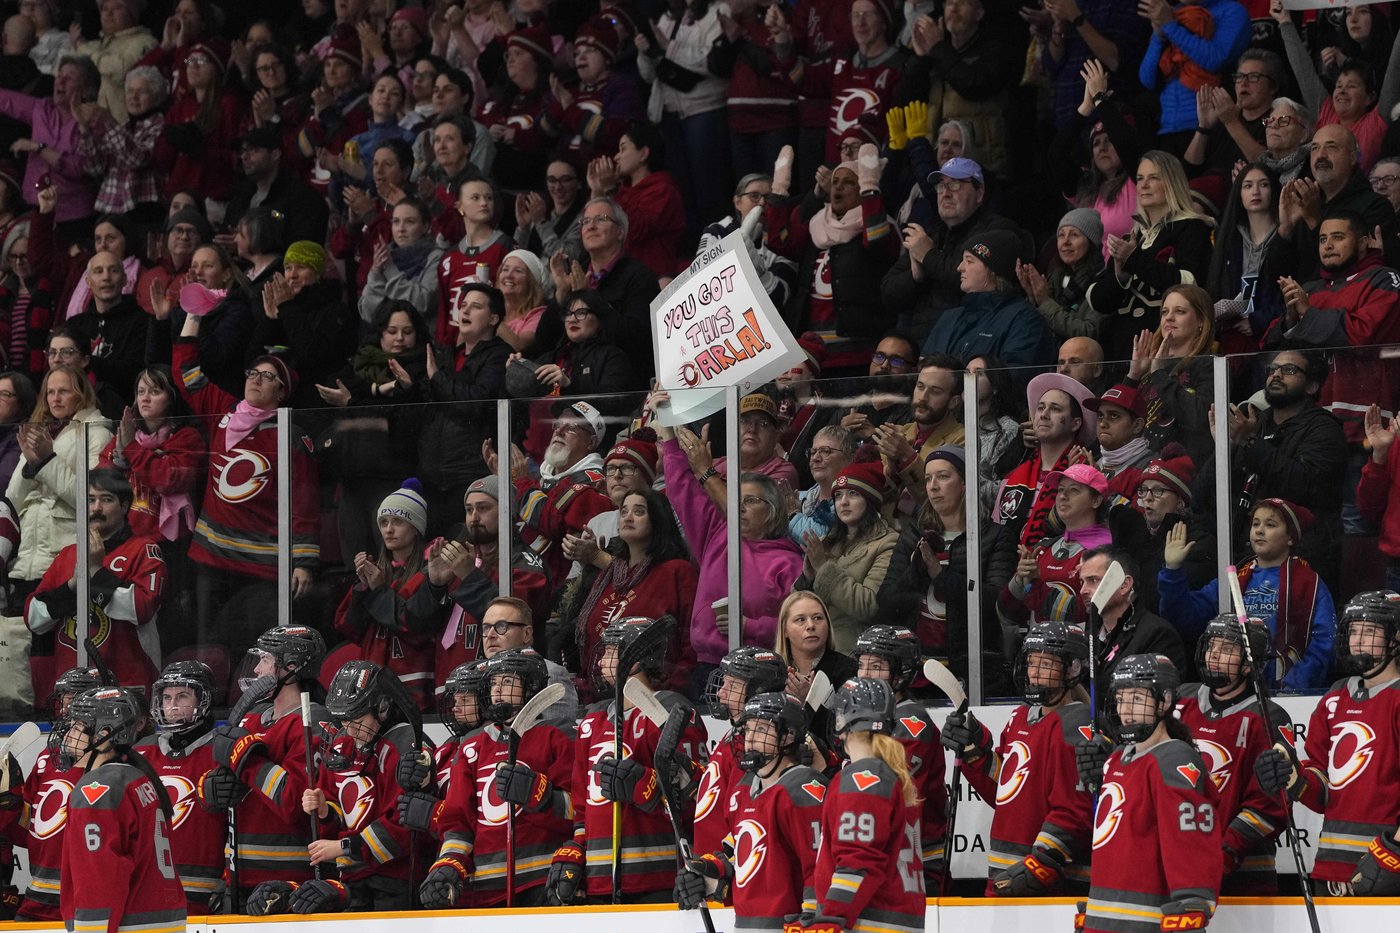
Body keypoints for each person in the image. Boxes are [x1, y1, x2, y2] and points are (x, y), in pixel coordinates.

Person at [546, 616, 709, 905]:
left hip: (658, 879)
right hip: (599, 880)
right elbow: (583, 808)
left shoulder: (672, 710)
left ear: (635, 659)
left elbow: (697, 798)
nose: (599, 663)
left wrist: (642, 785)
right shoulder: (593, 721)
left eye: (610, 652)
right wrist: (576, 850)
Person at [174, 334, 318, 648]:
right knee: (209, 647)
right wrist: (193, 317)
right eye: (253, 373)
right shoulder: (223, 413)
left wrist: (303, 562)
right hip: (210, 559)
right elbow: (186, 374)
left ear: (282, 392)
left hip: (262, 565)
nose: (256, 379)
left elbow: (303, 503)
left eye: (267, 376)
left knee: (259, 652)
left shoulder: (290, 434)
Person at [1255, 590, 1400, 894]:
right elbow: (1322, 791)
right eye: (1354, 631)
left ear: (1394, 638)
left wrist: (1393, 856)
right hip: (1330, 866)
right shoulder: (1335, 698)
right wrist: (1294, 777)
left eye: (1370, 631)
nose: (1358, 640)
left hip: (1388, 867)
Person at [407, 648, 575, 908]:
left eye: (507, 681)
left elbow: (578, 812)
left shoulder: (555, 737)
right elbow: (459, 819)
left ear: (531, 685)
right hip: (483, 887)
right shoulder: (473, 746)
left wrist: (540, 795)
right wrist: (450, 862)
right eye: (493, 682)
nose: (496, 689)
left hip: (542, 881)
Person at [656, 392, 804, 682]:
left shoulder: (789, 562)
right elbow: (681, 486)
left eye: (751, 501)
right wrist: (666, 420)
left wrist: (748, 625)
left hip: (761, 668)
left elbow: (797, 625)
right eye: (738, 499)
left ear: (774, 511)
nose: (739, 507)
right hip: (708, 667)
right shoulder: (716, 534)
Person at [941, 620, 1094, 895]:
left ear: (1072, 669)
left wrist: (1040, 864)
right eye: (1032, 663)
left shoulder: (1075, 724)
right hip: (1004, 875)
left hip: (1047, 883)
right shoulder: (1020, 717)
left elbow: (1073, 810)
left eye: (1046, 665)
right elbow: (1005, 790)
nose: (1034, 673)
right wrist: (973, 752)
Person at [256, 660, 421, 914]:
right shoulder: (341, 743)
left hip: (396, 881)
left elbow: (403, 824)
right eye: (344, 720)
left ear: (383, 707)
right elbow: (337, 813)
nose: (350, 729)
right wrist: (324, 810)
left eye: (357, 718)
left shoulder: (404, 743)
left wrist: (343, 847)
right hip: (353, 880)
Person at [1074, 654, 1220, 933]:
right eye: (1121, 699)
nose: (1126, 710)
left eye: (1138, 700)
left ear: (1164, 702)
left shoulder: (1173, 759)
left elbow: (1189, 846)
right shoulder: (1117, 758)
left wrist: (1191, 907)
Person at [199, 625, 328, 910]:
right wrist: (210, 788)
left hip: (290, 883)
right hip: (238, 875)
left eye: (266, 660)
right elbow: (221, 778)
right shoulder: (252, 719)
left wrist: (247, 758)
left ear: (291, 667)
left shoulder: (313, 721)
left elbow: (295, 802)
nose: (257, 669)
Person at [673, 691, 826, 926]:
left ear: (787, 737)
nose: (750, 739)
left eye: (762, 730)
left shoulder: (803, 789)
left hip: (787, 926)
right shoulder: (743, 791)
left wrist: (814, 923)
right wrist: (705, 876)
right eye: (748, 730)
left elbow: (818, 869)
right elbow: (739, 858)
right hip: (745, 924)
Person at [1158, 498, 1336, 691]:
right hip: (1234, 693)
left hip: (1289, 694)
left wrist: (1293, 685)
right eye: (1255, 524)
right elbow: (1183, 617)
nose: (1260, 530)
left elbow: (1325, 642)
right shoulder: (1233, 579)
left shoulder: (1310, 583)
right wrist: (1172, 570)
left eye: (1270, 525)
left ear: (1290, 537)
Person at [879, 445, 1014, 689]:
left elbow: (997, 599)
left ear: (964, 483)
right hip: (917, 671)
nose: (933, 486)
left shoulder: (994, 536)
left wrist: (941, 576)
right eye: (928, 478)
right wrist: (915, 574)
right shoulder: (913, 535)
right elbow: (886, 602)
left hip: (974, 672)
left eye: (943, 476)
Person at [55, 686, 186, 933]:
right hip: (164, 922)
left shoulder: (97, 789)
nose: (68, 736)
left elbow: (100, 880)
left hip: (128, 926)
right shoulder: (138, 778)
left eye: (77, 726)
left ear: (104, 734)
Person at [1174, 618, 1288, 894]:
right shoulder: (1181, 702)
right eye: (1212, 645)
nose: (1214, 654)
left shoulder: (1267, 717)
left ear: (1248, 664)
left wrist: (1225, 851)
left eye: (1226, 649)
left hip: (1245, 873)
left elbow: (1271, 804)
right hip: (1181, 862)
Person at [25, 468, 165, 690]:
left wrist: (96, 571)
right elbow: (34, 619)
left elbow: (141, 609)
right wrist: (72, 586)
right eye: (90, 500)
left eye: (106, 500)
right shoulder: (68, 554)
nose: (96, 508)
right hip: (72, 686)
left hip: (127, 684)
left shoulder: (143, 549)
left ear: (125, 506)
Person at [805, 677, 925, 933]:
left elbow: (859, 860)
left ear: (842, 721)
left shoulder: (865, 778)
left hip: (869, 922)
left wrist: (831, 917)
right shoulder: (891, 774)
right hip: (894, 920)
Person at [1222, 348, 1346, 589]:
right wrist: (1223, 446)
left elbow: (1304, 485)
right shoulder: (1257, 423)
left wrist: (1251, 444)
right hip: (1247, 553)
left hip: (1302, 560)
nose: (1276, 375)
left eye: (1288, 370)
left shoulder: (1324, 429)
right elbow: (1218, 490)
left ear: (1311, 386)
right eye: (1272, 369)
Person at [414, 478, 551, 685]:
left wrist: (469, 576)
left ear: (507, 512)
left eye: (483, 508)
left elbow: (510, 619)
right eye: (469, 510)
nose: (474, 517)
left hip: (502, 688)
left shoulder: (525, 564)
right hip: (452, 688)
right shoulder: (458, 559)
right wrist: (435, 585)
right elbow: (418, 627)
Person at [1082, 150, 1214, 361]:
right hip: (1122, 349)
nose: (1143, 185)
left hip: (1168, 349)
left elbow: (1190, 284)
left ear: (1172, 183)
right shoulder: (1130, 238)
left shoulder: (1192, 227)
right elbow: (1097, 300)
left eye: (1154, 178)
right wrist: (1120, 274)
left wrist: (1134, 259)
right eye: (1140, 178)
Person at [765, 143, 899, 347]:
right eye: (835, 182)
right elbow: (779, 242)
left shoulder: (878, 225)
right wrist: (778, 191)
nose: (838, 187)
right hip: (814, 349)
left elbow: (877, 240)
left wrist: (870, 188)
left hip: (859, 348)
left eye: (849, 183)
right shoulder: (816, 226)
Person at [570, 487, 697, 696]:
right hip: (601, 697)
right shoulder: (608, 574)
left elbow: (689, 639)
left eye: (639, 512)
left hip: (655, 695)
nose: (628, 517)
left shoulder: (677, 571)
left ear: (658, 520)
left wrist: (672, 689)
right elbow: (591, 640)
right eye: (624, 512)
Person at [6, 365, 110, 613]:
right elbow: (12, 500)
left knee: (61, 646)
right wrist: (32, 466)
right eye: (50, 392)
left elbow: (90, 501)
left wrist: (47, 461)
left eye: (63, 391)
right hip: (25, 560)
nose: (55, 398)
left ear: (81, 393)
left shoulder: (98, 433)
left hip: (65, 559)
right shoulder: (38, 430)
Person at [0, 666, 101, 922]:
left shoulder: (113, 766)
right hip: (39, 899)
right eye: (64, 702)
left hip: (88, 900)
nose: (66, 712)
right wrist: (8, 804)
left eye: (75, 702)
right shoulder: (47, 758)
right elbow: (32, 834)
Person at [333, 480, 443, 711]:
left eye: (398, 521)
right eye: (383, 522)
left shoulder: (431, 570)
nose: (388, 529)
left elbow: (414, 625)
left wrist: (378, 591)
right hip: (372, 681)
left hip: (413, 683)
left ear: (416, 527)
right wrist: (362, 588)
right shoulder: (378, 570)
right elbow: (350, 628)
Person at [853, 625, 948, 884]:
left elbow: (884, 787)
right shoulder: (871, 717)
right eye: (862, 665)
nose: (865, 675)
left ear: (902, 672)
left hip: (917, 859)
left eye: (876, 666)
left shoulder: (911, 720)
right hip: (887, 851)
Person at [134, 661, 225, 912]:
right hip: (147, 889)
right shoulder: (140, 752)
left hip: (205, 891)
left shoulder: (222, 750)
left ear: (203, 699)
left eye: (182, 696)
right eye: (166, 697)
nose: (172, 706)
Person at [1274, 0, 1400, 172]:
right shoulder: (1327, 113)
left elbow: (1395, 66)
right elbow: (1303, 71)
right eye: (1339, 85)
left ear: (1370, 97)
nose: (1341, 90)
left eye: (1352, 86)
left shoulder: (1377, 122)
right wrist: (1285, 21)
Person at [691, 646, 790, 860]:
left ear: (757, 692)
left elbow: (748, 815)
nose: (720, 692)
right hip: (711, 870)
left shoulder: (758, 746)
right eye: (724, 682)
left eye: (732, 685)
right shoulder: (733, 737)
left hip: (731, 873)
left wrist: (724, 864)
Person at [795, 457, 899, 653]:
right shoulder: (828, 539)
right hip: (815, 650)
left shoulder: (888, 543)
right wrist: (807, 578)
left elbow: (868, 606)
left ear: (870, 499)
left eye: (853, 494)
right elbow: (797, 605)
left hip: (855, 654)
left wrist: (823, 567)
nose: (844, 502)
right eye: (838, 495)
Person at [921, 229, 1055, 371]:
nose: (960, 268)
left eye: (969, 261)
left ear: (993, 271)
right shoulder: (949, 317)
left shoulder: (1023, 319)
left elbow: (1016, 375)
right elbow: (924, 369)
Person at [999, 464, 1113, 630]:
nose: (1063, 496)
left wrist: (1034, 584)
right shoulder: (1043, 547)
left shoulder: (1107, 554)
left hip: (1082, 654)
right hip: (1036, 653)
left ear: (1096, 500)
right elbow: (1007, 613)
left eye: (1074, 490)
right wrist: (1020, 580)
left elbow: (1083, 613)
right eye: (1060, 490)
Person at [0, 55, 101, 237]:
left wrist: (38, 148)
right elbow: (7, 101)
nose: (59, 81)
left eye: (69, 78)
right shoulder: (42, 108)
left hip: (73, 217)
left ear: (86, 91)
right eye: (59, 75)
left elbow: (78, 168)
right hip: (34, 206)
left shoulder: (93, 122)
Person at [993, 371, 1096, 549]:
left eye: (1055, 409)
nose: (1044, 414)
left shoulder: (1087, 471)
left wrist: (1077, 482)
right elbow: (994, 535)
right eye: (1040, 408)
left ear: (1075, 423)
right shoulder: (1014, 476)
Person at [254, 241, 358, 411]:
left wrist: (287, 308)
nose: (292, 275)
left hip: (315, 407)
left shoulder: (335, 311)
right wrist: (270, 320)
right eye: (288, 268)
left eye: (301, 267)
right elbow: (253, 361)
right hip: (277, 404)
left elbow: (313, 354)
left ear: (317, 274)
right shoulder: (283, 309)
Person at [1121, 283, 1216, 463]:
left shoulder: (1209, 365)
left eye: (1179, 311)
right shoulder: (1148, 366)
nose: (1169, 318)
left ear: (1201, 321)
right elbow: (1119, 421)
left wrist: (1159, 374)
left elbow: (1199, 419)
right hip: (1137, 465)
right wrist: (1133, 376)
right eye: (1164, 312)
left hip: (1181, 471)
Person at [1078, 547, 1187, 699]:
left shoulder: (1156, 634)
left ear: (1124, 585)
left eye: (1093, 580)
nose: (1083, 590)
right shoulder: (1088, 638)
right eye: (1081, 582)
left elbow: (1157, 703)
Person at [588, 121, 686, 280]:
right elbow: (590, 234)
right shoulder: (621, 191)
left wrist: (610, 190)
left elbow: (635, 230)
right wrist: (597, 192)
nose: (616, 157)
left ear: (643, 153)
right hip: (621, 279)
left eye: (623, 148)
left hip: (655, 280)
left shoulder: (664, 189)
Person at [73, 65, 168, 222]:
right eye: (130, 91)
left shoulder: (160, 125)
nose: (133, 97)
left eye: (142, 92)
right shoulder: (122, 127)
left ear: (156, 96)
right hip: (110, 209)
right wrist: (84, 129)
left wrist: (109, 121)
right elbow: (94, 168)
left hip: (143, 211)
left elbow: (136, 159)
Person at [696, 173, 799, 311]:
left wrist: (760, 273)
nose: (762, 203)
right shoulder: (717, 231)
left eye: (768, 198)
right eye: (754, 196)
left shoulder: (783, 239)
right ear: (738, 202)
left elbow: (781, 299)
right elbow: (700, 284)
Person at [433, 177, 513, 346]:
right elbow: (443, 308)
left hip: (489, 346)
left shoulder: (505, 247)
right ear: (459, 206)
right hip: (450, 350)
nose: (484, 203)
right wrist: (440, 345)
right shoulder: (448, 257)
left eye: (489, 198)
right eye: (475, 198)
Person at [223, 124, 330, 248]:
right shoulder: (240, 197)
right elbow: (227, 228)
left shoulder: (301, 198)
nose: (244, 156)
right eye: (243, 151)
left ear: (275, 154)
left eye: (253, 150)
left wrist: (255, 242)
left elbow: (301, 239)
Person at [772, 591, 858, 744]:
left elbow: (848, 738)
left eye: (817, 618)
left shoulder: (849, 671)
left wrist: (811, 703)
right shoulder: (773, 674)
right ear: (784, 630)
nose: (811, 625)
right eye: (800, 620)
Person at [1022, 208, 1108, 343]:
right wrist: (1033, 299)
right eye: (1061, 235)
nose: (1065, 241)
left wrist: (1045, 302)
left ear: (1091, 242)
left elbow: (1089, 332)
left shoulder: (1102, 282)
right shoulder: (1054, 276)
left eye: (1074, 235)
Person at [75, 0, 156, 124]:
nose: (109, 13)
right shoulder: (94, 45)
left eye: (117, 7)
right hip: (86, 125)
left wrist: (82, 49)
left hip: (121, 127)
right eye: (104, 8)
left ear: (131, 14)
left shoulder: (145, 42)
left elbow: (121, 71)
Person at [1085, 383, 1153, 503]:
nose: (1102, 424)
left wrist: (1095, 486)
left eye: (1114, 416)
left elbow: (1134, 520)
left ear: (1137, 425)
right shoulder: (1092, 463)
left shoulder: (1151, 469)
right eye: (1100, 416)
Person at [788, 425, 855, 544]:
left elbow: (826, 542)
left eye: (825, 451)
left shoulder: (854, 502)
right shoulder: (799, 497)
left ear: (849, 459)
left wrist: (793, 515)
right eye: (813, 452)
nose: (816, 458)